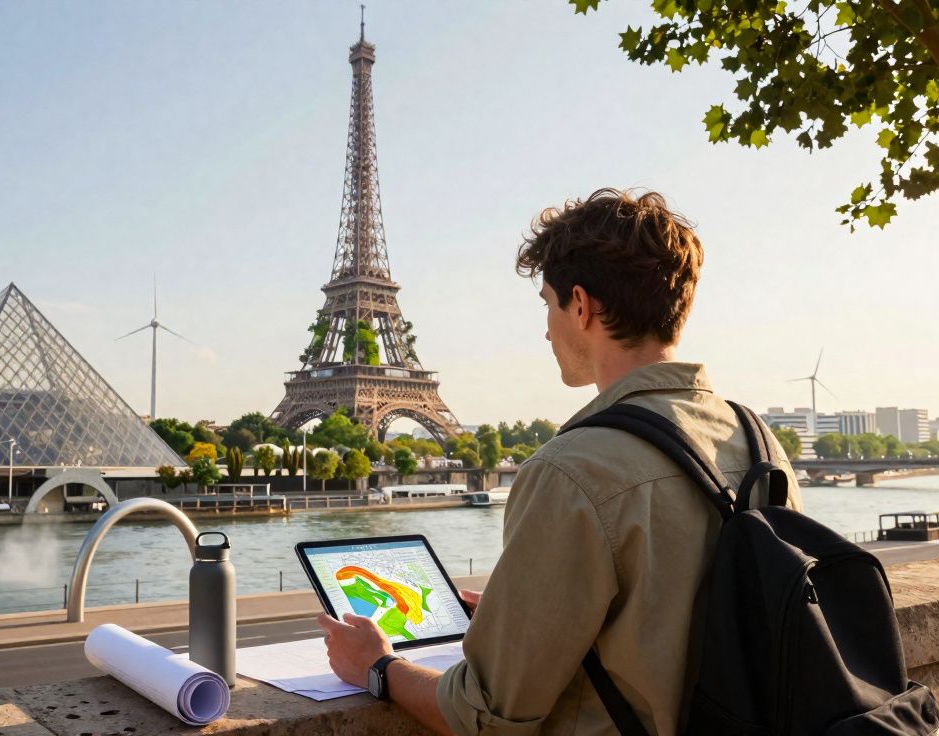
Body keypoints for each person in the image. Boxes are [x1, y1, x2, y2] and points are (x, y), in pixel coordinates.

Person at [318, 188, 802, 735]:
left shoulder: (571, 470)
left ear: (581, 305)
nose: (547, 329)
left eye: (548, 304)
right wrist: (525, 615)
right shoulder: (759, 443)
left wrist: (377, 666)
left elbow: (485, 716)